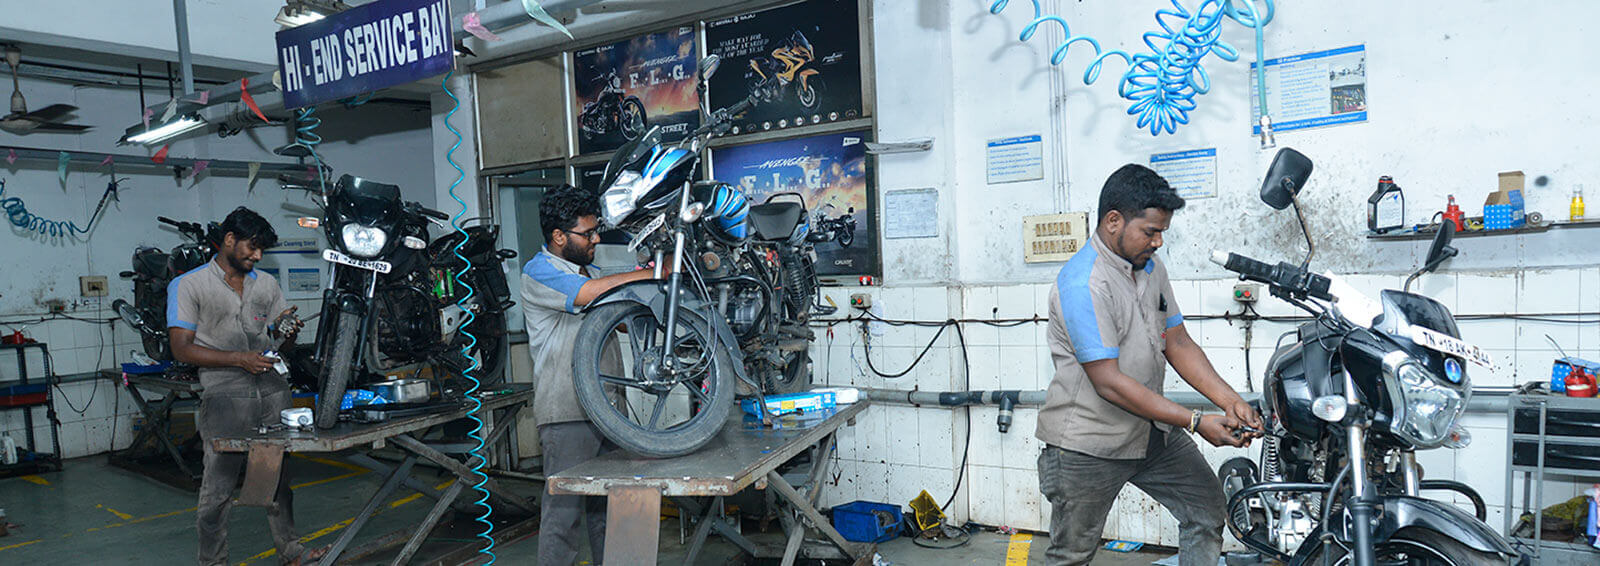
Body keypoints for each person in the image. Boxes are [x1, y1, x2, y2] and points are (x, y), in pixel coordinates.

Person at [1035, 164, 1263, 566]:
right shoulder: (1083, 283)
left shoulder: (1151, 269)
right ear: (1113, 221)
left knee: (1206, 511)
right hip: (1088, 446)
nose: (1158, 242)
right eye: (1150, 231)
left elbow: (1176, 341)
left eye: (1162, 232)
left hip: (1151, 432)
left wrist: (1230, 401)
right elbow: (1109, 383)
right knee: (1071, 556)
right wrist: (1195, 422)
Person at [168, 207, 323, 566]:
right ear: (228, 240)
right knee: (218, 491)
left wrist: (286, 331)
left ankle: (291, 552)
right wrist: (240, 359)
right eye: (252, 247)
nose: (257, 256)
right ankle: (213, 562)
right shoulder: (190, 285)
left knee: (277, 483)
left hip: (272, 391)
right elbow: (181, 347)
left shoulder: (266, 284)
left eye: (261, 251)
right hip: (225, 397)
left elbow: (278, 343)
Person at [522, 184, 663, 565]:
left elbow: (616, 320)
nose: (596, 238)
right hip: (567, 412)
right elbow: (588, 294)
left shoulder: (593, 271)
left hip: (608, 410)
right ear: (558, 236)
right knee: (563, 516)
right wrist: (648, 274)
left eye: (596, 230)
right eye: (587, 233)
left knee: (614, 512)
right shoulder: (541, 271)